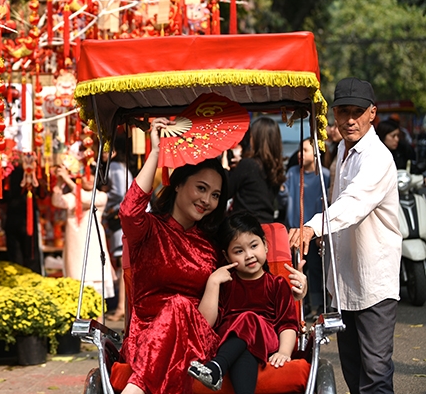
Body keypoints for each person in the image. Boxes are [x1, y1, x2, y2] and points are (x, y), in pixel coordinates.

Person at [118, 117, 307, 394]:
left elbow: (248, 280)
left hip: (198, 338)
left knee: (181, 305)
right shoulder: (148, 231)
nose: (207, 200)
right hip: (146, 340)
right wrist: (156, 153)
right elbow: (129, 211)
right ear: (179, 184)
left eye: (216, 195)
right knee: (177, 306)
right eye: (201, 188)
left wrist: (297, 292)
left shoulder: (211, 243)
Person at [290, 77, 401, 394]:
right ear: (334, 115)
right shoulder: (342, 149)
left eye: (357, 112)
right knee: (353, 371)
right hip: (343, 281)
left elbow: (354, 204)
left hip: (373, 283)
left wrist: (312, 226)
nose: (350, 120)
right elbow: (338, 202)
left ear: (372, 113)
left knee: (376, 373)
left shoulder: (377, 158)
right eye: (343, 112)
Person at [189, 212, 299, 393]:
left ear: (265, 245)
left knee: (248, 319)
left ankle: (217, 366)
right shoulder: (226, 283)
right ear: (227, 256)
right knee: (244, 351)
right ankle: (220, 365)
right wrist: (214, 282)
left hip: (266, 340)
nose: (248, 255)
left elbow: (287, 323)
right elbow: (205, 324)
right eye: (239, 251)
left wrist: (284, 352)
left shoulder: (277, 284)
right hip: (230, 344)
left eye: (253, 246)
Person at [52, 161, 115, 299]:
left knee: (96, 287)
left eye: (92, 175)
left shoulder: (100, 196)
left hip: (93, 241)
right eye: (86, 175)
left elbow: (87, 198)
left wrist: (68, 180)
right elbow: (57, 201)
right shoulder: (73, 197)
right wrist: (59, 181)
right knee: (76, 278)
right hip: (75, 243)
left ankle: (98, 320)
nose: (90, 178)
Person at [284, 138, 330, 317]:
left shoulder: (324, 175)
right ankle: (298, 307)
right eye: (299, 150)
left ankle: (316, 307)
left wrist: (321, 233)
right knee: (295, 269)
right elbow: (283, 197)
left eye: (305, 150)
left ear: (316, 154)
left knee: (315, 270)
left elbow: (325, 205)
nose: (300, 154)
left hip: (313, 233)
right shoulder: (292, 173)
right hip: (294, 231)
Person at [224, 117, 286, 223]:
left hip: (245, 226)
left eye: (251, 136)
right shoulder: (275, 167)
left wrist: (224, 168)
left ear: (257, 139)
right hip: (266, 224)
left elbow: (226, 192)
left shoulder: (248, 164)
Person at [101, 136, 133, 321]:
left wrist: (107, 206)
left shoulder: (114, 167)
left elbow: (120, 193)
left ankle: (122, 306)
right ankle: (122, 305)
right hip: (121, 216)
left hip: (121, 217)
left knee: (123, 263)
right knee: (123, 264)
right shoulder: (120, 167)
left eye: (105, 150)